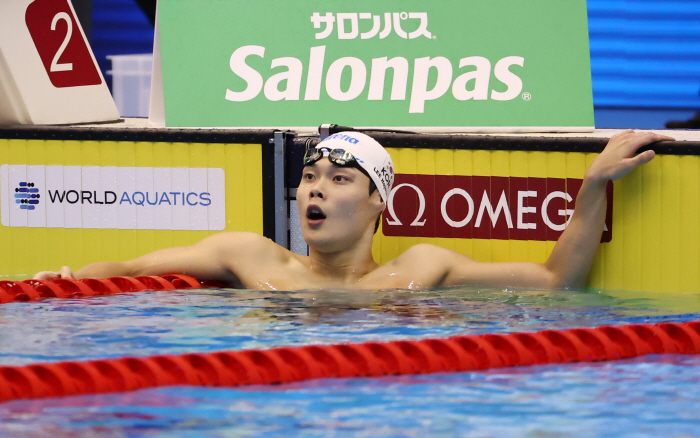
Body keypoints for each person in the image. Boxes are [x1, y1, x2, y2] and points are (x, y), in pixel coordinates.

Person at [34, 130, 674, 290]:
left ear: (377, 202)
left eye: (339, 179)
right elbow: (129, 266)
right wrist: (67, 287)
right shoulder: (252, 258)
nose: (315, 188)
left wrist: (592, 185)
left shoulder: (421, 268)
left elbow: (558, 284)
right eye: (309, 176)